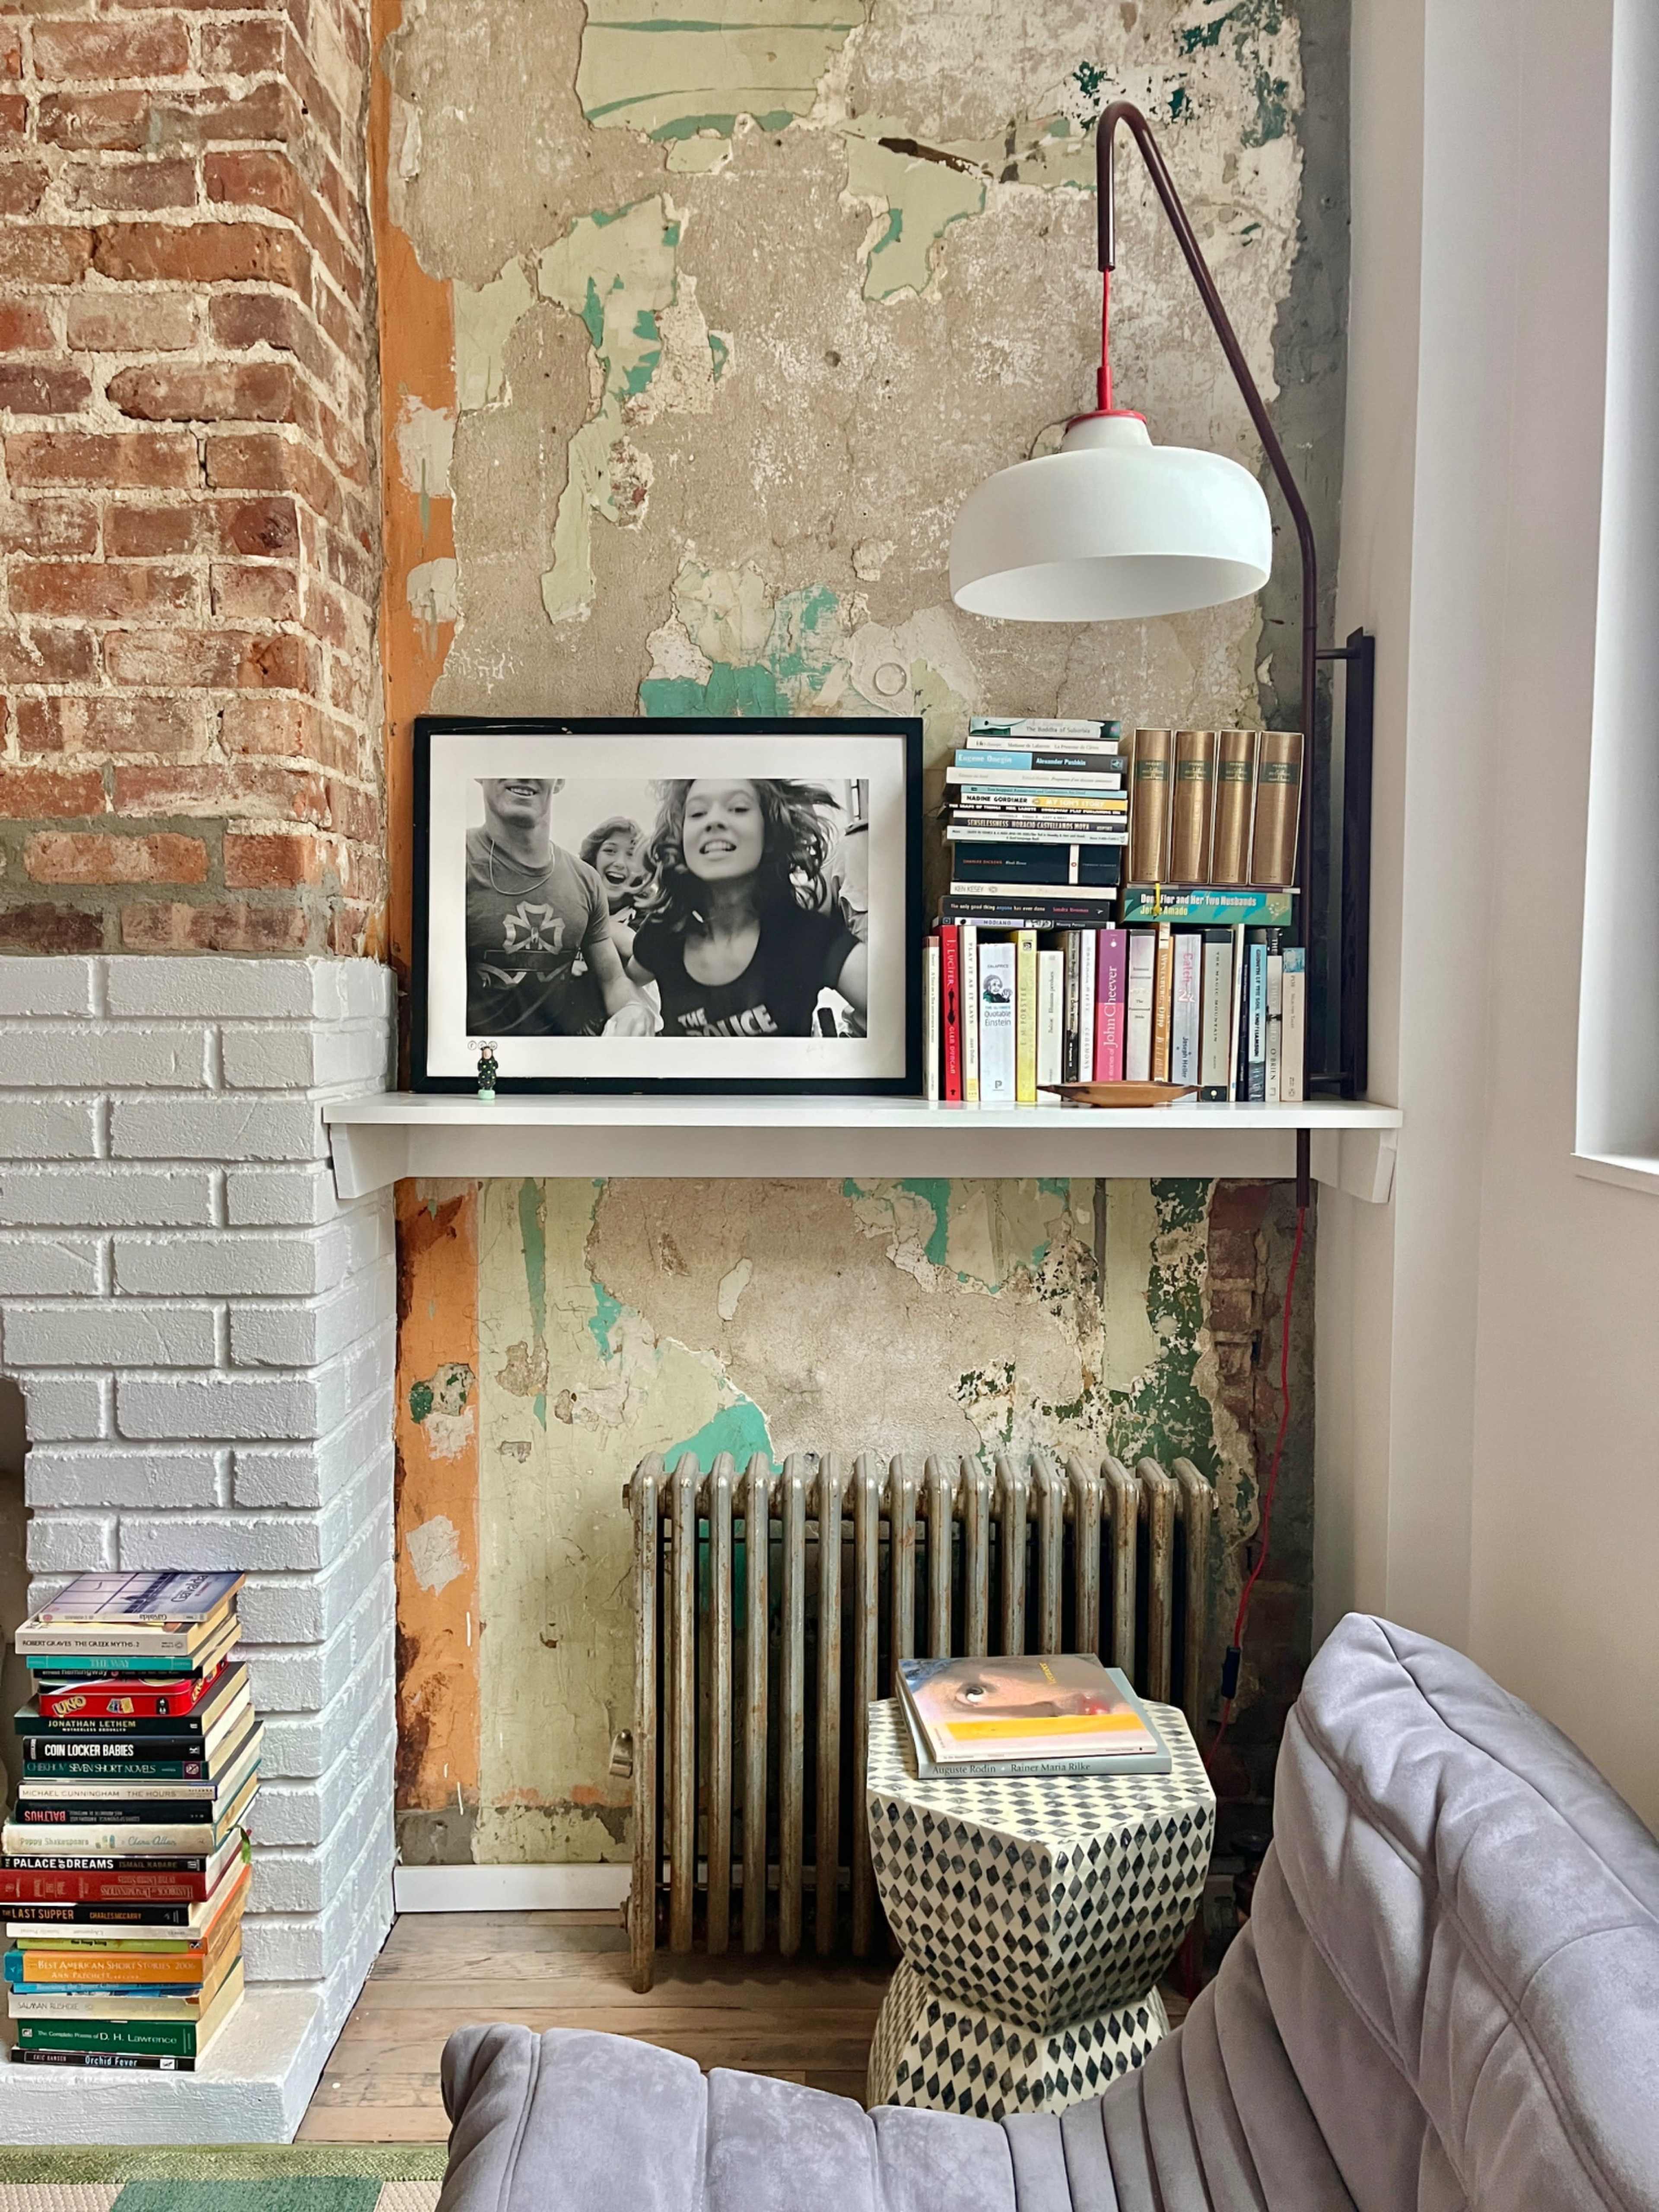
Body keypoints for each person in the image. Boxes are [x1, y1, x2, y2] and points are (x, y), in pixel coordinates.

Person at [626, 778, 866, 1038]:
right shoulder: (662, 933)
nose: (713, 821)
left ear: (770, 831)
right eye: (697, 813)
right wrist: (631, 1008)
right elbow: (625, 982)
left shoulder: (809, 937)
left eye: (739, 808)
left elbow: (895, 1001)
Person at [465, 778, 653, 1038]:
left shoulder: (586, 881)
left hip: (559, 1057)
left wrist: (632, 1009)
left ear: (560, 780)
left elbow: (613, 980)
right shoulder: (450, 861)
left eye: (538, 760)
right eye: (507, 756)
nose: (523, 772)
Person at [579, 814, 646, 964]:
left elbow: (633, 946)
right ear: (594, 858)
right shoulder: (571, 901)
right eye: (610, 851)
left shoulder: (649, 915)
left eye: (631, 854)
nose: (620, 863)